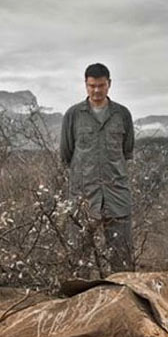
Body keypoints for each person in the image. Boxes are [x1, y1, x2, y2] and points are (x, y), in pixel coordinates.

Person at [60, 63, 135, 273]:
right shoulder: (73, 115)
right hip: (83, 196)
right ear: (85, 85)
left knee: (122, 259)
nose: (96, 90)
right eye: (92, 86)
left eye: (101, 85)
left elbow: (127, 152)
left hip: (116, 195)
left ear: (109, 84)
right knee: (79, 260)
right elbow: (66, 154)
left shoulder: (122, 115)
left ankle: (124, 302)